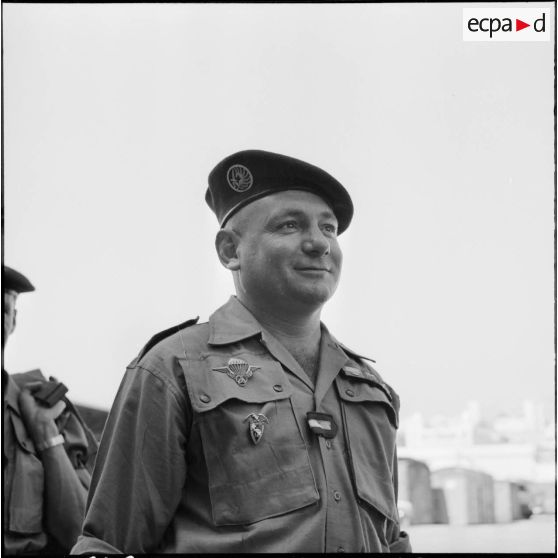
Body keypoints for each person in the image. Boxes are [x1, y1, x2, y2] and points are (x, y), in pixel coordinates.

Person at [73, 149, 411, 553]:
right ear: (230, 251)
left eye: (329, 229)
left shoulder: (371, 391)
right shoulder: (174, 368)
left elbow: (390, 541)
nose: (319, 244)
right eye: (289, 225)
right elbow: (108, 543)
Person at [3, 266, 94, 554]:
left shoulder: (47, 406)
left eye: (3, 308)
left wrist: (45, 433)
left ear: (13, 320)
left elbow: (80, 534)